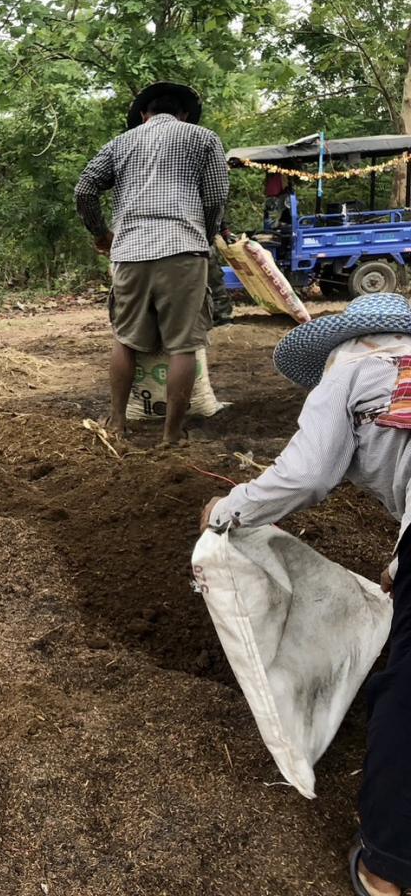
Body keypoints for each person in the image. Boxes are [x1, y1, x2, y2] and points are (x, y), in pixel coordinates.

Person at [199, 293, 411, 896]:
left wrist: (227, 510)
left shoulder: (347, 367)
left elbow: (307, 475)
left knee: (406, 687)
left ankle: (388, 864)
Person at [75, 81, 230, 445]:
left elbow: (84, 190)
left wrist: (102, 235)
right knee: (183, 345)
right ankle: (172, 435)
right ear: (184, 114)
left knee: (125, 339)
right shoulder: (203, 138)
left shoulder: (121, 142)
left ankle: (117, 422)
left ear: (144, 114)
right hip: (183, 252)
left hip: (129, 253)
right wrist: (202, 239)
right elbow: (216, 198)